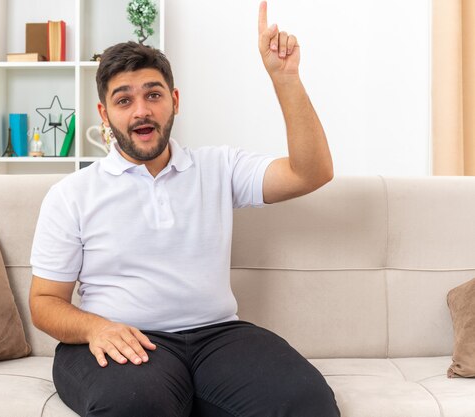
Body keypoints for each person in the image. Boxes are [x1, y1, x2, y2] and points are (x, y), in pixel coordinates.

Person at [29, 2, 339, 416]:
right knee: (135, 405)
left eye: (153, 95)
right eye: (124, 100)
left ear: (174, 101)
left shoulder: (219, 167)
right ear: (105, 114)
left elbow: (311, 172)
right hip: (122, 337)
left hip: (218, 337)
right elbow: (45, 302)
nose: (141, 110)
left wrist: (285, 78)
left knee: (305, 401)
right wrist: (96, 327)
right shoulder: (72, 194)